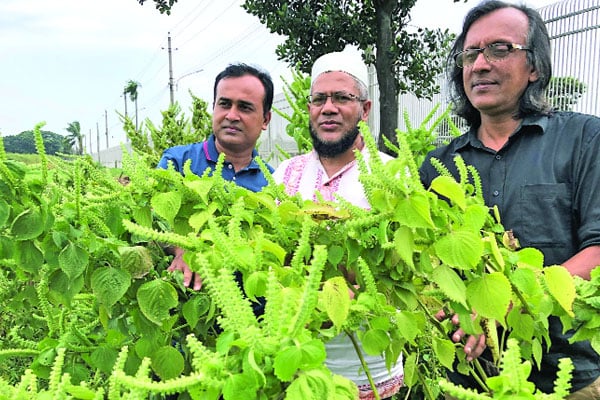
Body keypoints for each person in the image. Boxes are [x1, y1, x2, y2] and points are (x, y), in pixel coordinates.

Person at [418, 1, 600, 399]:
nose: (479, 64)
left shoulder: (585, 140)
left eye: (499, 49)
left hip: (568, 380)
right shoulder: (438, 166)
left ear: (534, 67)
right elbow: (425, 263)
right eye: (470, 53)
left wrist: (508, 304)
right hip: (468, 380)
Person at [272, 48, 404, 400]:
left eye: (342, 98)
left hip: (374, 371)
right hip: (302, 368)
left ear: (364, 109)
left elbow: (410, 270)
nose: (327, 107)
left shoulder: (393, 175)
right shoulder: (286, 174)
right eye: (319, 99)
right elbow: (269, 255)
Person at [158, 63, 274, 302]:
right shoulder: (177, 162)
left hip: (255, 325)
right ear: (214, 108)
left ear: (265, 119)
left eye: (244, 107)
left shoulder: (274, 182)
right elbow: (154, 218)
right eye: (224, 104)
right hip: (187, 319)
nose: (231, 115)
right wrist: (181, 249)